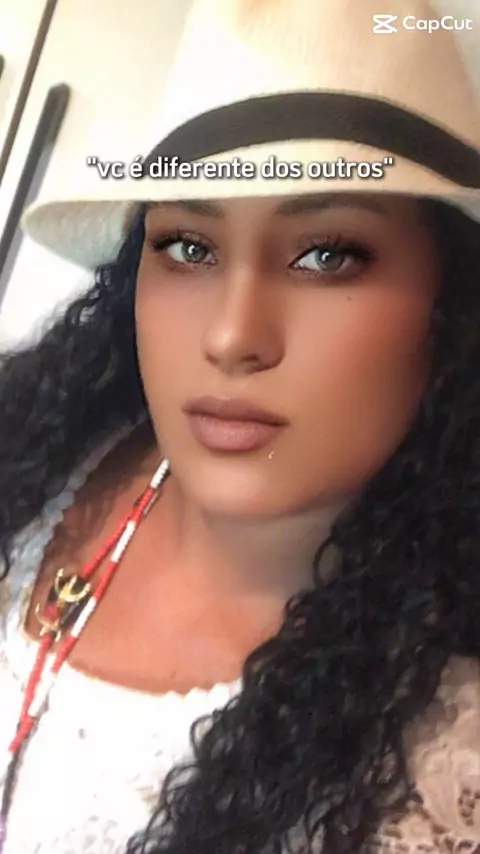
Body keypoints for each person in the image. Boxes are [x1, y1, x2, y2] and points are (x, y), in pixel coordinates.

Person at [0, 0, 479, 851]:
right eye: (189, 247)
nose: (230, 336)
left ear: (455, 304)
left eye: (327, 254)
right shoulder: (38, 460)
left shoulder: (443, 770)